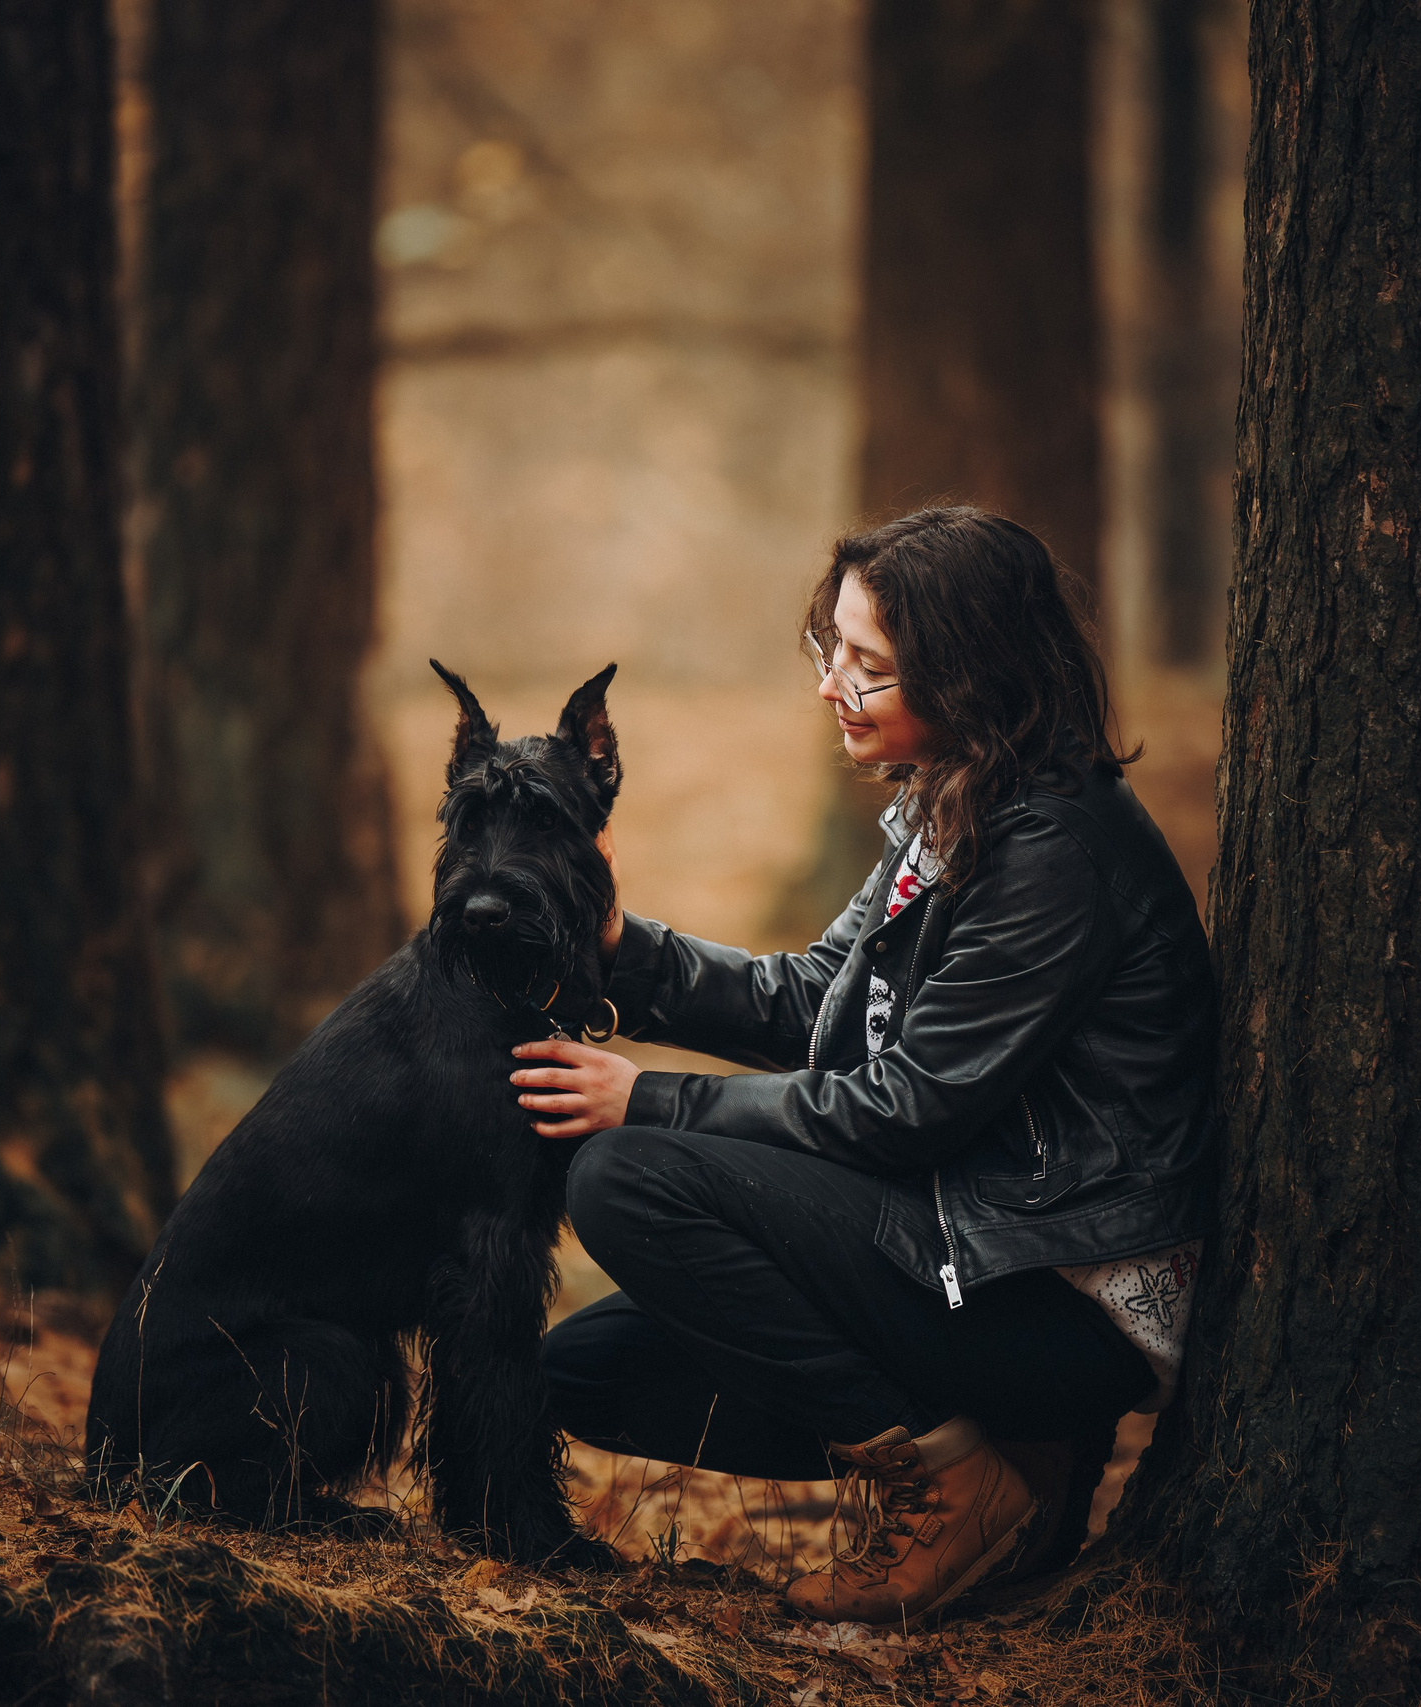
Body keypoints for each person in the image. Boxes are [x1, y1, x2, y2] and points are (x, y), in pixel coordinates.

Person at [506, 505, 1221, 1626]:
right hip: (959, 1244)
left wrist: (646, 1098)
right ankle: (1017, 1471)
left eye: (869, 666)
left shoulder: (1054, 852)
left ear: (972, 675)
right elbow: (815, 1006)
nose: (832, 685)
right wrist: (620, 948)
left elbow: (904, 1110)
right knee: (582, 1373)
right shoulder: (950, 809)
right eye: (830, 649)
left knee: (627, 1177)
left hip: (1060, 1300)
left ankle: (946, 1482)